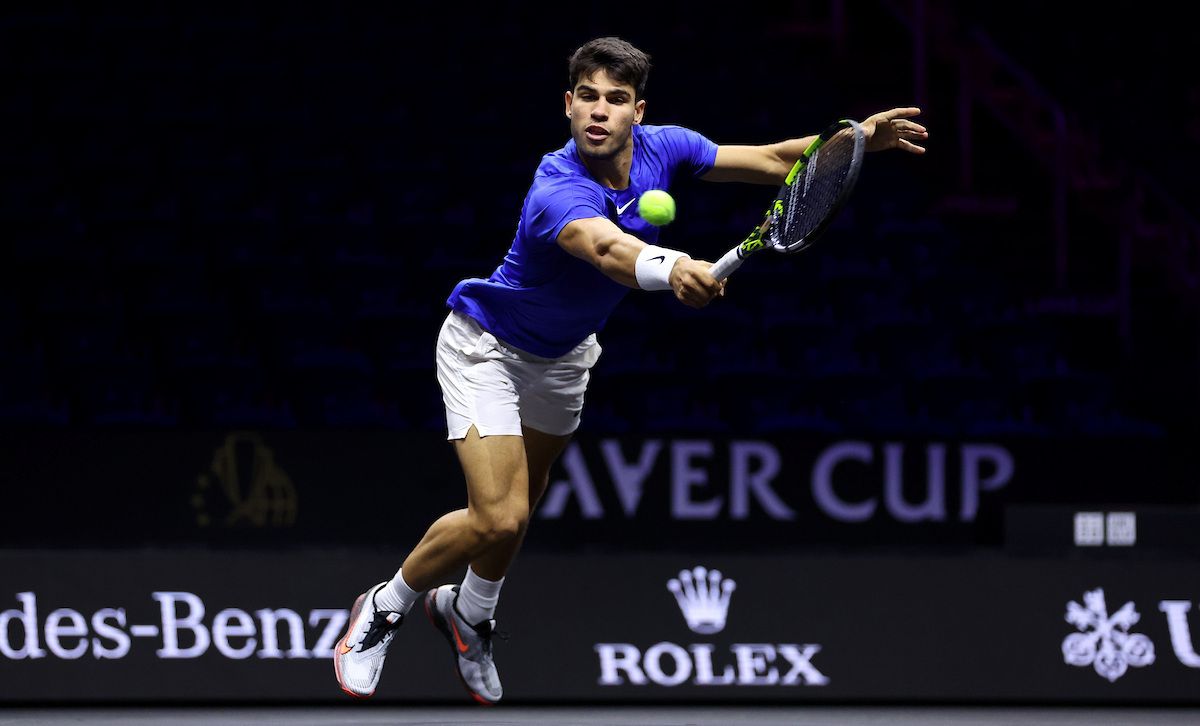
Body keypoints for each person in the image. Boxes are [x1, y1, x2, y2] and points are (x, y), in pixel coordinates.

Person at [333, 36, 927, 703]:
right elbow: (608, 249)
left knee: (521, 511)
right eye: (587, 96)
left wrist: (854, 142)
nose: (599, 111)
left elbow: (771, 160)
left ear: (637, 112)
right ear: (568, 104)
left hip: (564, 358)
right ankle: (384, 607)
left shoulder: (665, 146)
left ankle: (468, 613)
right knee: (496, 516)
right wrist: (673, 267)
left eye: (615, 99)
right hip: (487, 347)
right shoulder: (555, 188)